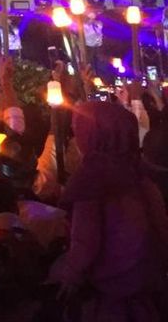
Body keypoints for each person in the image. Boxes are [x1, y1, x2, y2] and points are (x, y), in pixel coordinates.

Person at [54, 100, 168, 319]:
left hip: (114, 286)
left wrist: (71, 277)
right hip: (147, 281)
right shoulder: (140, 176)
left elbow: (85, 239)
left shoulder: (92, 181)